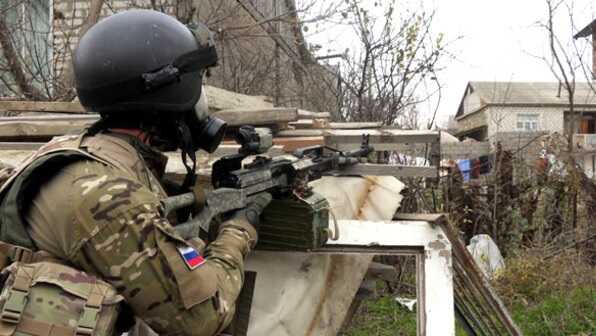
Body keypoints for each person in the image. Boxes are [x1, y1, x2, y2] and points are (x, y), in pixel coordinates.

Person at [0, 9, 270, 336]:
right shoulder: (105, 196)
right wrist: (238, 231)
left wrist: (204, 198)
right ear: (170, 93)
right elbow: (202, 319)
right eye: (197, 86)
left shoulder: (81, 151)